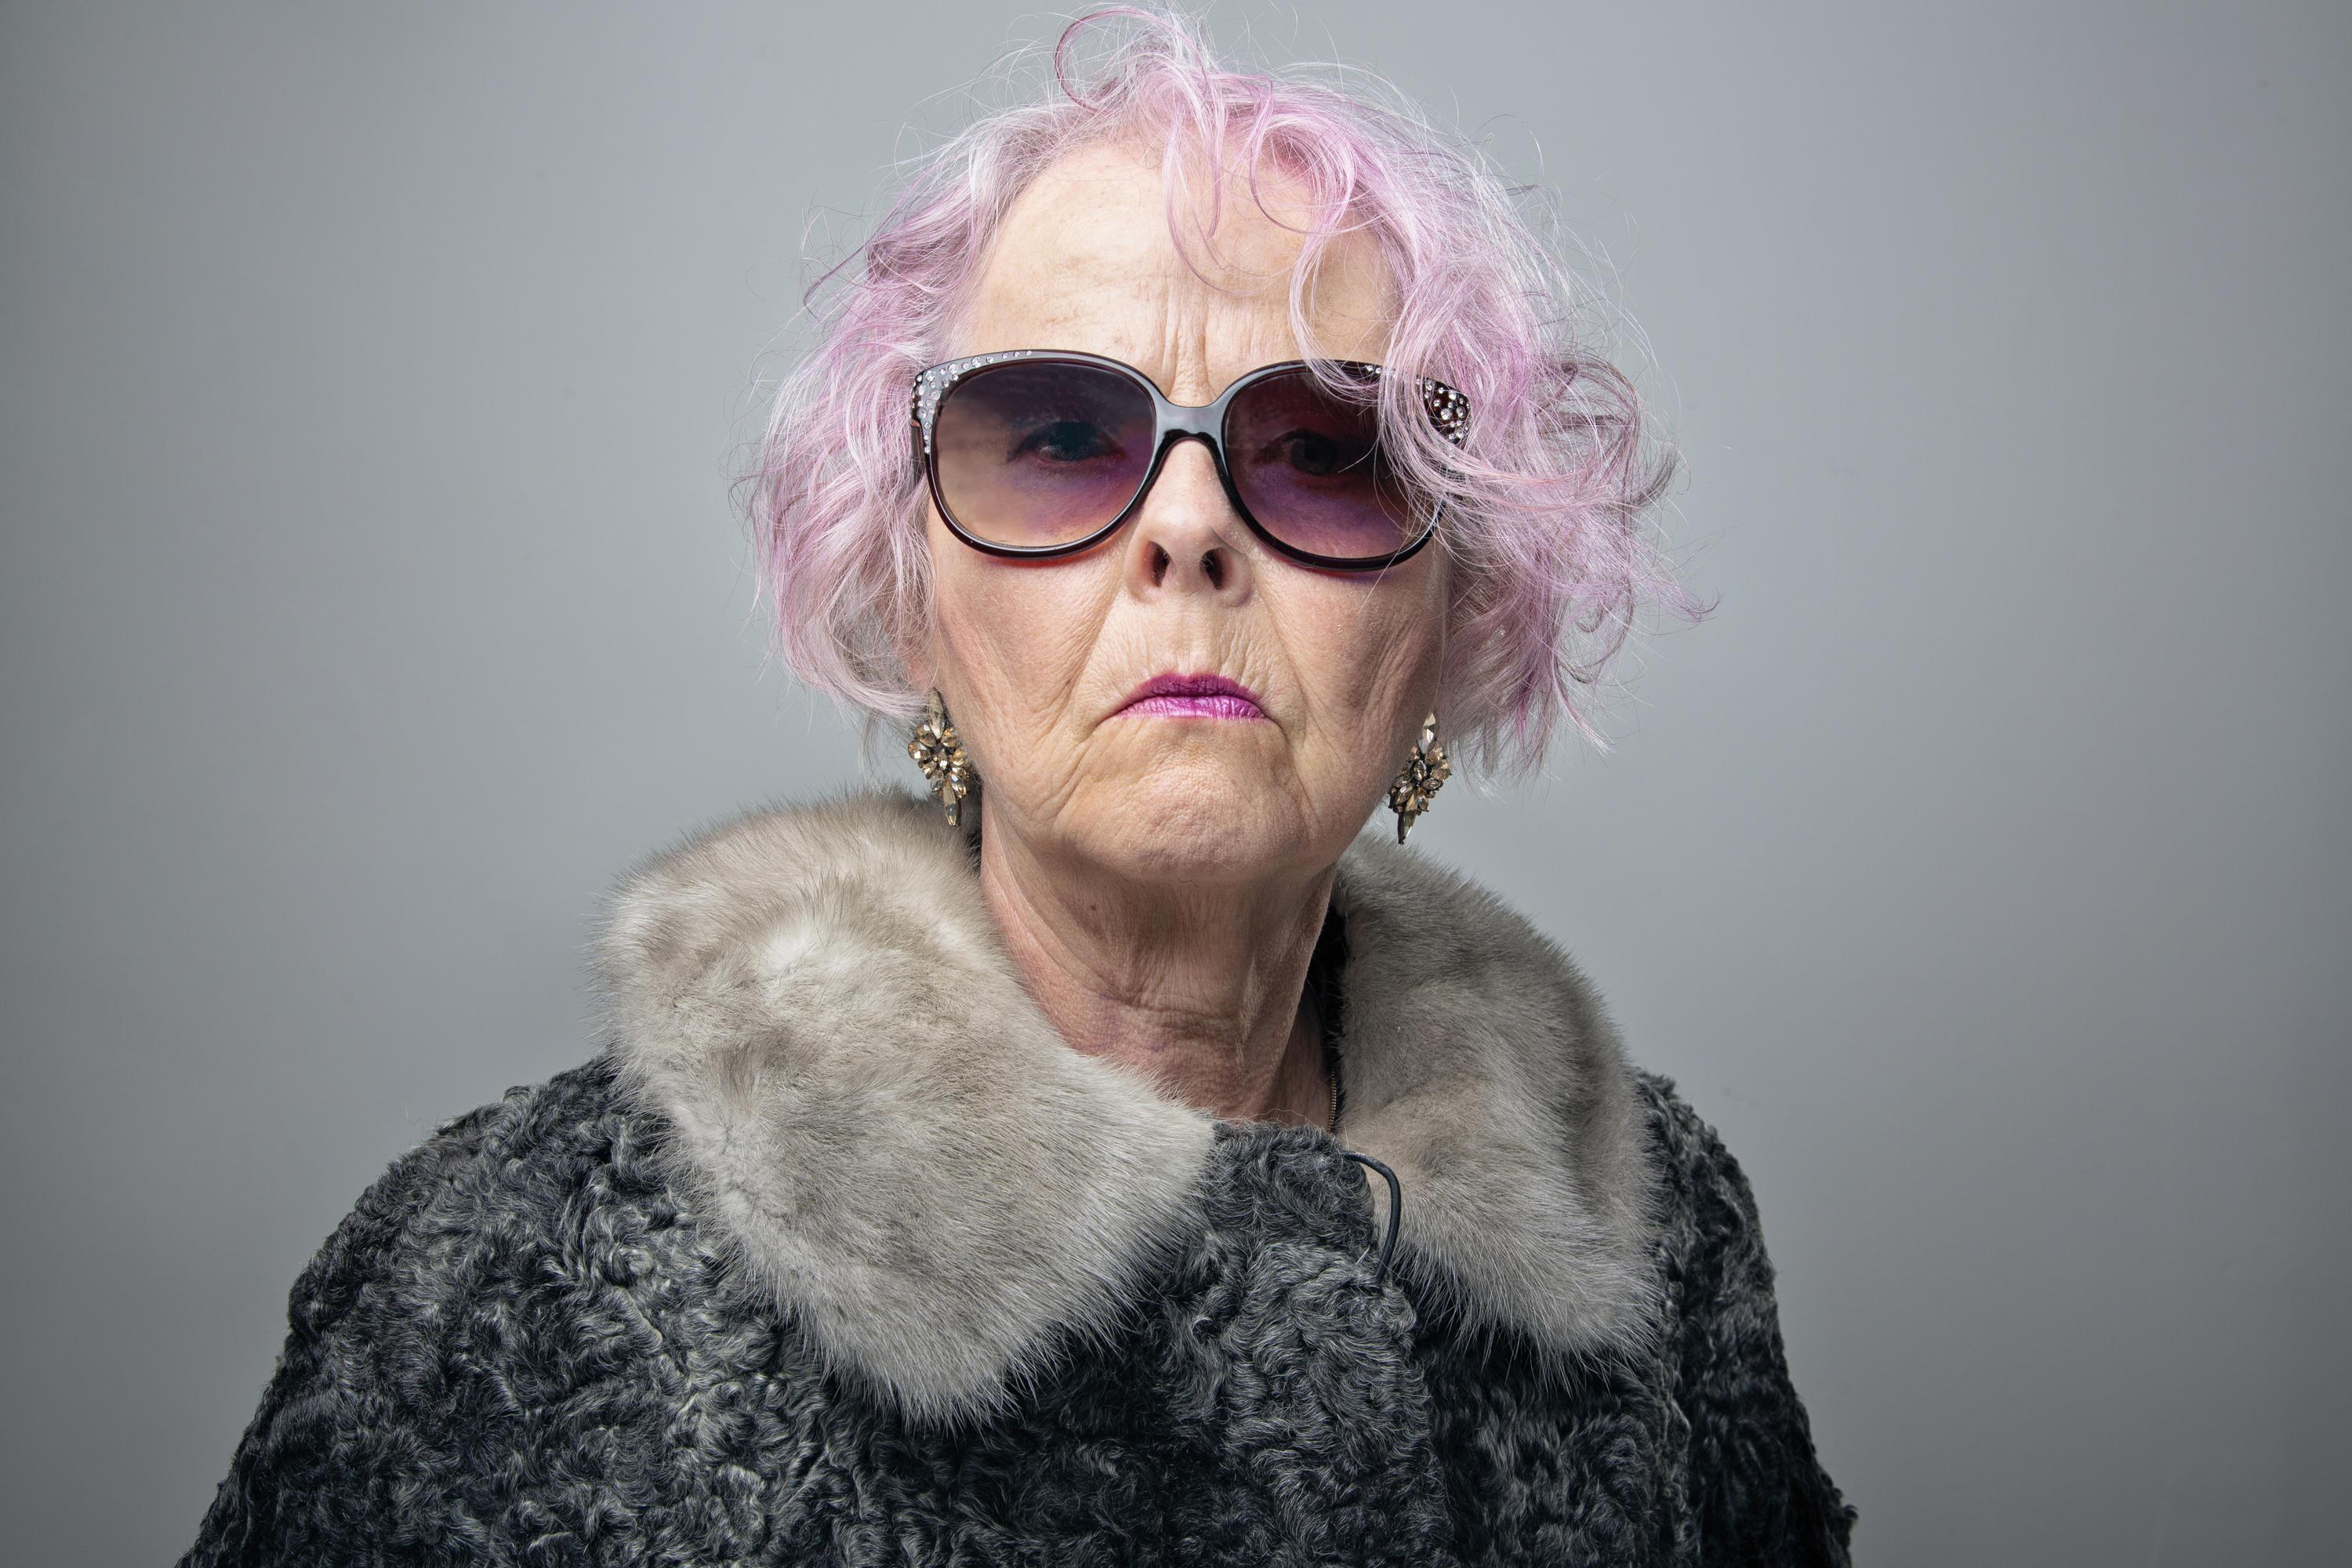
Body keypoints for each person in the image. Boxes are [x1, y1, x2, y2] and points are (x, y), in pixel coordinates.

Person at [180, 9, 1854, 1564]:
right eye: (1056, 438)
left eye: (1324, 451)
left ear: (1453, 614)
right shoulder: (500, 1292)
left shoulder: (1664, 1245)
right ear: (907, 596)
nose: (1188, 529)